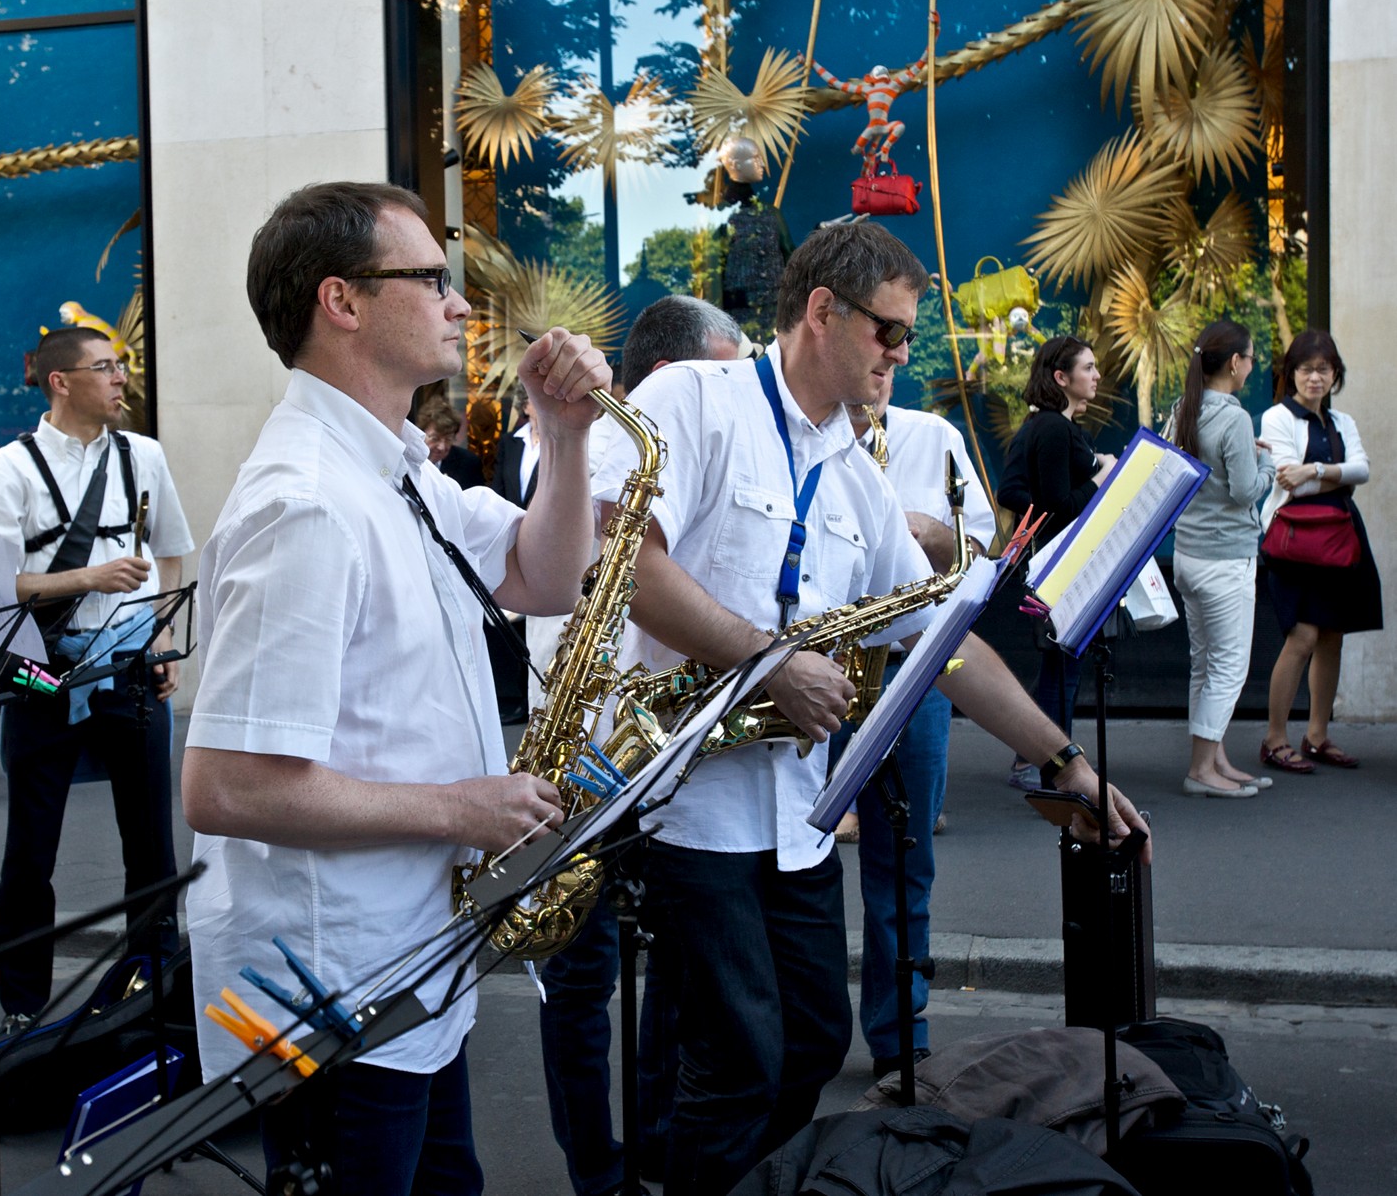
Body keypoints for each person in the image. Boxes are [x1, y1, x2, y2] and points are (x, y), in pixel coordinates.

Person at [591, 221, 1147, 1195]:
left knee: (810, 1040)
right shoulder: (695, 398)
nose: (901, 355)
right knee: (738, 1059)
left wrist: (1068, 766)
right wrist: (771, 663)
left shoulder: (854, 468)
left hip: (795, 820)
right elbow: (621, 565)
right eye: (889, 332)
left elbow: (945, 648)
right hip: (686, 805)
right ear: (821, 311)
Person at [182, 180, 609, 1193]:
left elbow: (544, 577)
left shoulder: (393, 469)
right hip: (334, 992)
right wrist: (462, 806)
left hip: (408, 968)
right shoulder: (308, 504)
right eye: (430, 279)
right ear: (343, 302)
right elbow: (225, 787)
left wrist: (565, 435)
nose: (458, 304)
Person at [536, 293, 744, 1196]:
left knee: (671, 981)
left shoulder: (681, 443)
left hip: (652, 750)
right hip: (583, 755)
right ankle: (600, 1174)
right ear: (676, 376)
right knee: (579, 990)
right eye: (728, 376)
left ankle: (653, 1155)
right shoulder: (598, 445)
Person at [0, 326, 194, 1032]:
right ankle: (21, 1003)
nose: (121, 378)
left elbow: (169, 555)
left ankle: (151, 987)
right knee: (32, 846)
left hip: (129, 667)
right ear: (60, 381)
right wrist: (87, 575)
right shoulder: (7, 469)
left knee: (153, 843)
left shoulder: (145, 457)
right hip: (42, 673)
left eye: (121, 366)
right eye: (105, 368)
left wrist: (158, 633)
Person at [828, 367, 996, 1077]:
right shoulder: (807, 441)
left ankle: (901, 1039)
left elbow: (983, 553)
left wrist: (931, 533)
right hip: (820, 676)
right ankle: (804, 1035)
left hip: (911, 673)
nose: (881, 375)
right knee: (792, 869)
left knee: (905, 863)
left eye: (893, 362)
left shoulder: (933, 435)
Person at [1259, 330, 1381, 773]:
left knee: (1333, 635)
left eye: (1323, 370)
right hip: (1295, 538)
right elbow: (1288, 479)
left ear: (1335, 375)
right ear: (1291, 373)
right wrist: (1334, 475)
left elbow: (1363, 470)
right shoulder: (1276, 418)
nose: (1315, 377)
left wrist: (1315, 470)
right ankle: (1274, 739)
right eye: (1307, 369)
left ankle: (1317, 735)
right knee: (1303, 636)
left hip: (1340, 538)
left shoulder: (1342, 421)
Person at [995, 335, 1115, 789]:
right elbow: (1060, 505)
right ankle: (1043, 762)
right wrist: (1102, 477)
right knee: (1062, 668)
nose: (1097, 376)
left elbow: (1019, 493)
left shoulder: (1049, 427)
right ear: (1061, 378)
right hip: (1062, 569)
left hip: (1053, 564)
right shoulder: (1053, 428)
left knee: (1059, 666)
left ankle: (1040, 757)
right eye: (1088, 368)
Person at [1168, 321, 1277, 797]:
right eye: (1250, 359)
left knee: (1205, 664)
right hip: (1226, 559)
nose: (1251, 367)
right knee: (1229, 667)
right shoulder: (1233, 418)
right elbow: (1242, 491)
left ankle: (1214, 758)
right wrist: (1269, 466)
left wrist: (1245, 458)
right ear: (1235, 363)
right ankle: (1200, 770)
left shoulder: (1183, 409)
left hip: (1189, 556)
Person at [418, 397, 485, 490]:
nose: (442, 447)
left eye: (448, 439)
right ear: (421, 434)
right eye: (435, 438)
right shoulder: (406, 460)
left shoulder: (468, 464)